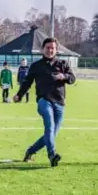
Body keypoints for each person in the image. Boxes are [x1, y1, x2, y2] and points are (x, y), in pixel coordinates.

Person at [13, 37, 76, 167]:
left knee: (51, 134)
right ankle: (52, 155)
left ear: (56, 50)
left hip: (59, 102)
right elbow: (27, 82)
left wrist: (64, 76)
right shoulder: (36, 66)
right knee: (49, 126)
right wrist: (19, 95)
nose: (50, 50)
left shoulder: (63, 64)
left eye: (52, 48)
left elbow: (72, 78)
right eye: (47, 48)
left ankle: (30, 151)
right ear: (42, 49)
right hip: (44, 101)